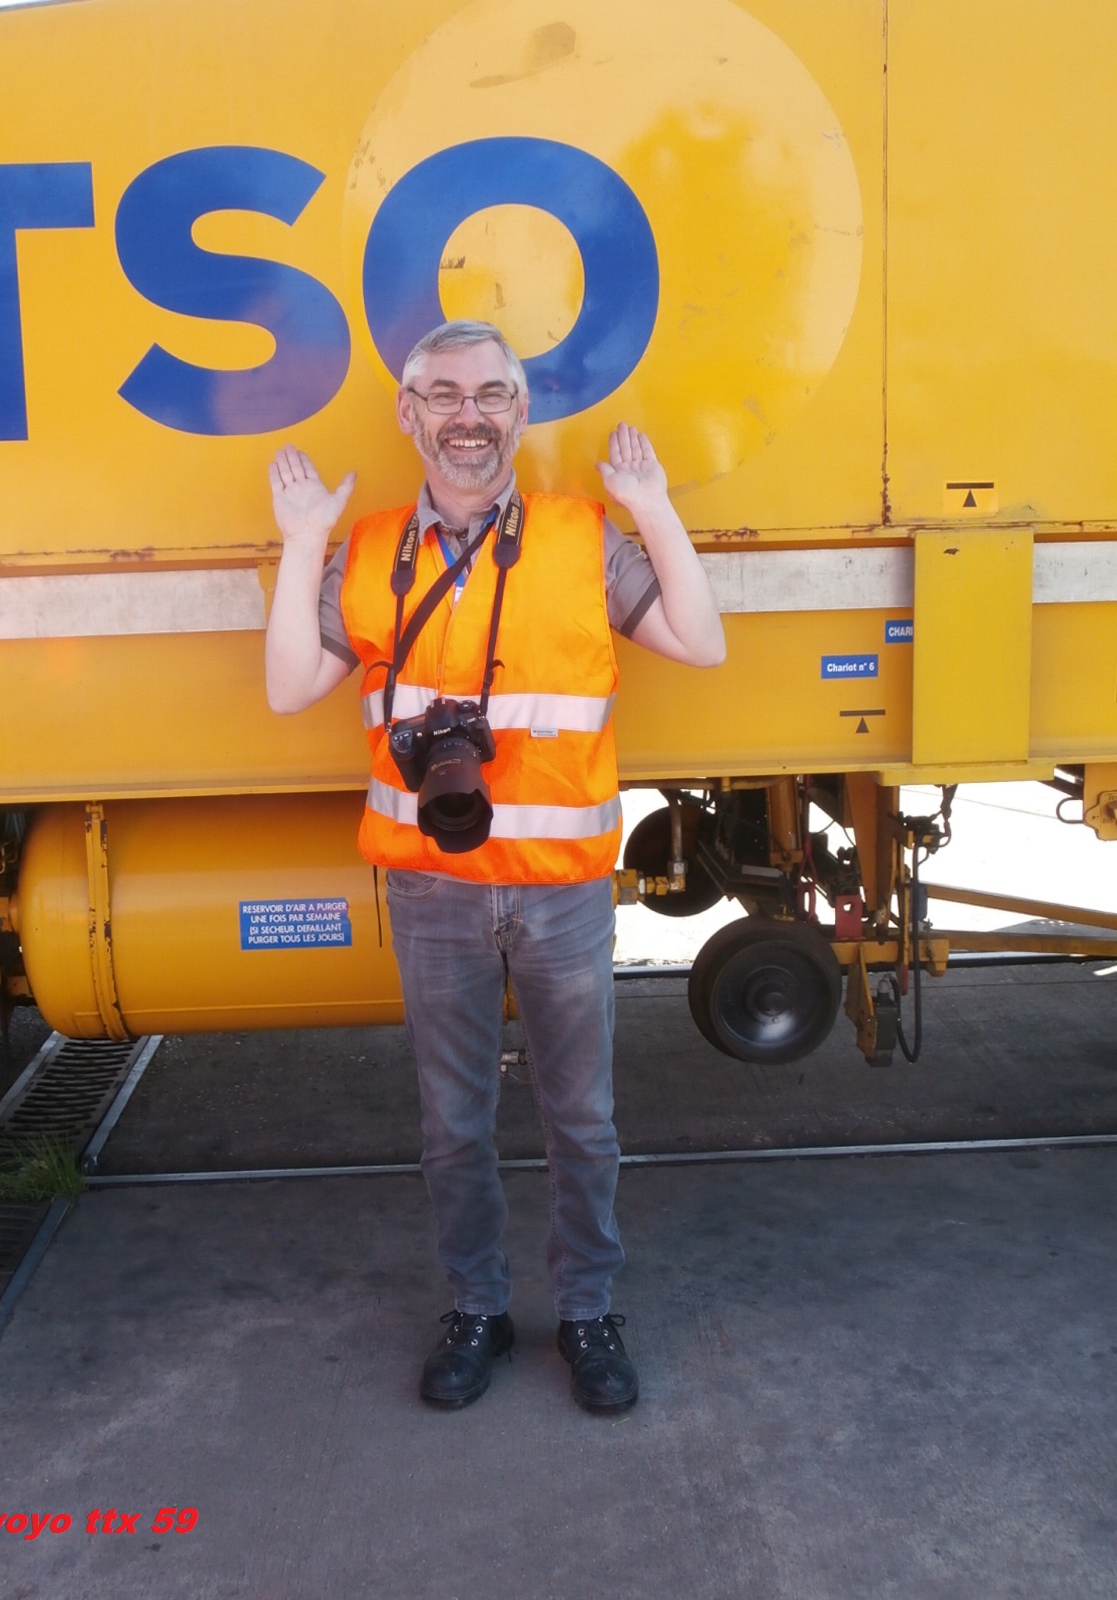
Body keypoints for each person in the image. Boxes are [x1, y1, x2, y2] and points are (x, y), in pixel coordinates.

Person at [265, 320, 725, 1413]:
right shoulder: (368, 551)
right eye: (443, 394)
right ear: (408, 414)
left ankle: (587, 1311)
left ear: (519, 412)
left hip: (563, 890)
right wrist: (302, 541)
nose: (466, 415)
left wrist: (653, 505)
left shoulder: (581, 535)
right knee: (452, 1126)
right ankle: (476, 1308)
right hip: (432, 893)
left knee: (584, 1121)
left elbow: (701, 643)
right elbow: (288, 688)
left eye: (489, 394)